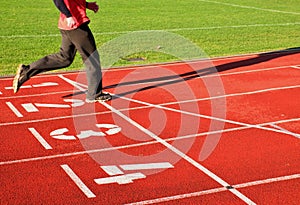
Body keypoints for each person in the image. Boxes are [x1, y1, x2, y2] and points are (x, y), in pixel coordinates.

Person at [13, 0, 112, 102]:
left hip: (68, 25)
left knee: (64, 58)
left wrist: (87, 5)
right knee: (92, 59)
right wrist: (69, 15)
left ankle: (26, 71)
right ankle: (95, 94)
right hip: (75, 24)